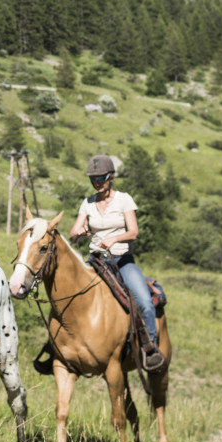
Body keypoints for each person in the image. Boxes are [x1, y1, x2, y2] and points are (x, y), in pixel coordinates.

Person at [67, 154, 165, 371]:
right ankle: (57, 348)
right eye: (93, 179)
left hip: (122, 261)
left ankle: (150, 349)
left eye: (101, 178)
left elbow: (134, 232)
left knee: (145, 303)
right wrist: (79, 233)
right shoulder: (88, 203)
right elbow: (73, 232)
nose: (97, 183)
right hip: (96, 261)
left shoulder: (124, 200)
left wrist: (113, 238)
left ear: (111, 177)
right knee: (69, 297)